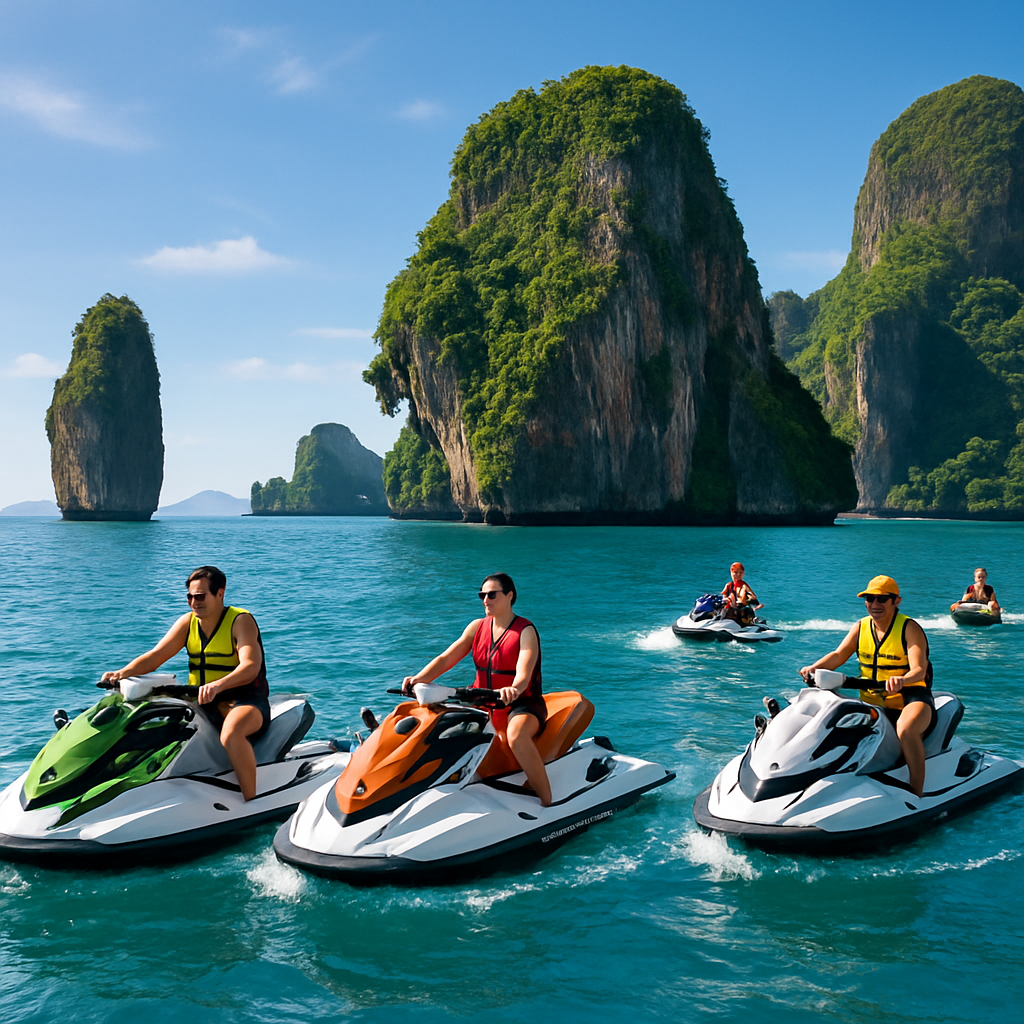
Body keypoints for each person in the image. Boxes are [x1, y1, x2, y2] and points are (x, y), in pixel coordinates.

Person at [101, 566, 271, 801]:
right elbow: (155, 656)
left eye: (200, 596)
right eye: (189, 596)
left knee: (231, 734)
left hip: (244, 701)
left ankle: (252, 800)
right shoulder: (187, 623)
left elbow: (250, 666)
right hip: (200, 699)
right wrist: (121, 673)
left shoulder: (240, 621)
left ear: (220, 594)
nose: (193, 602)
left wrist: (219, 685)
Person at [402, 573, 552, 806]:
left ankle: (547, 800)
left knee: (516, 736)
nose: (485, 600)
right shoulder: (476, 627)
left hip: (522, 704)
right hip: (483, 702)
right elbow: (446, 658)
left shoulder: (525, 631)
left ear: (509, 595)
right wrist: (418, 679)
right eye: (482, 595)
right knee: (438, 727)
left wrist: (513, 689)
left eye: (492, 594)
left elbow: (524, 673)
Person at [798, 575, 934, 798]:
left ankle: (916, 792)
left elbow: (919, 669)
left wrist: (902, 680)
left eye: (882, 599)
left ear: (896, 601)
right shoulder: (861, 627)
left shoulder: (909, 628)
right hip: (871, 702)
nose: (874, 604)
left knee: (906, 730)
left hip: (910, 698)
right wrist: (813, 667)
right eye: (869, 599)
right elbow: (838, 655)